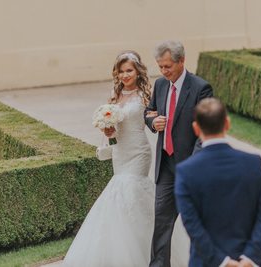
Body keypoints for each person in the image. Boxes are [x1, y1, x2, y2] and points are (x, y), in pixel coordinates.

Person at [60, 51, 188, 267]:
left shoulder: (145, 95)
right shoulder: (114, 95)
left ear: (138, 71)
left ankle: (154, 254)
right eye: (121, 71)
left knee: (129, 189)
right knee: (119, 196)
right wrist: (109, 132)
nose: (125, 75)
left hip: (139, 152)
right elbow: (113, 129)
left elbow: (154, 120)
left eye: (129, 70)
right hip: (120, 152)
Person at [174, 98, 261, 267]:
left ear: (196, 128)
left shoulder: (186, 171)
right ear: (227, 123)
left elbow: (192, 225)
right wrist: (249, 257)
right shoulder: (253, 163)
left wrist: (222, 262)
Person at [144, 40, 213, 267]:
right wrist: (153, 121)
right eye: (160, 66)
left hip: (191, 169)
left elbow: (206, 131)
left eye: (168, 67)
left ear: (181, 61)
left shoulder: (201, 88)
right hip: (165, 166)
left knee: (196, 223)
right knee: (161, 222)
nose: (163, 71)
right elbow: (149, 111)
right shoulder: (161, 85)